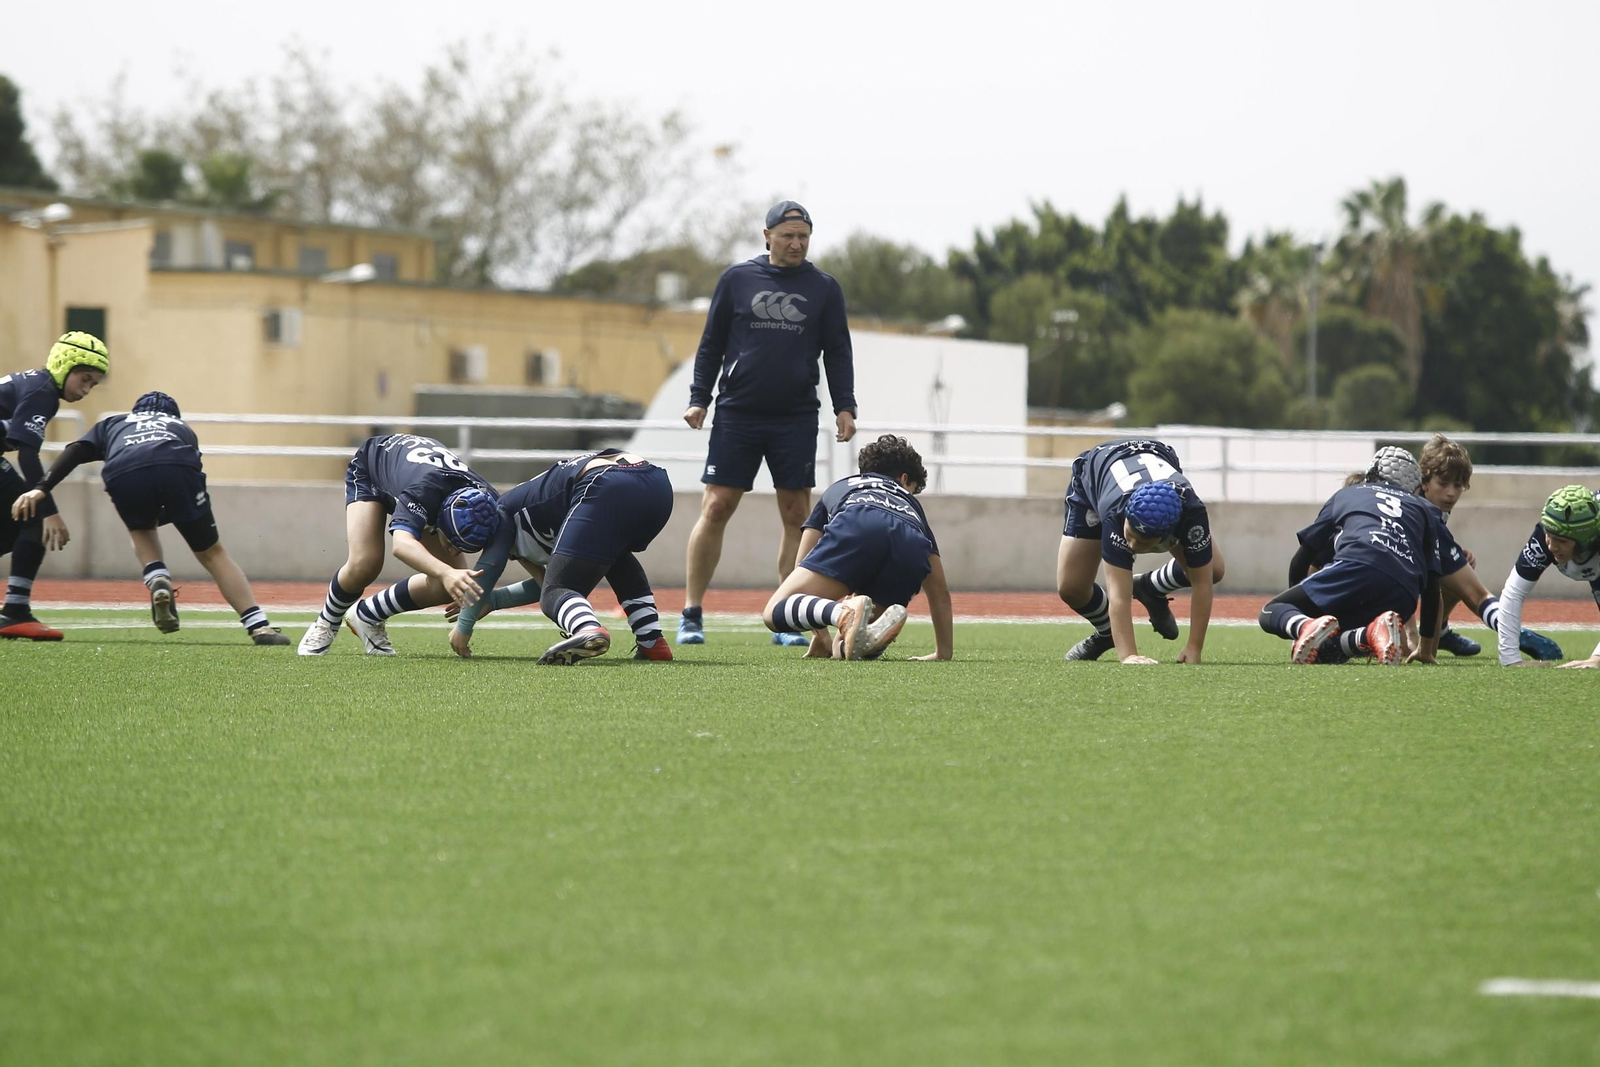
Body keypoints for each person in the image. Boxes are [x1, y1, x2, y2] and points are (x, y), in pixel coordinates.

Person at [677, 200, 857, 648]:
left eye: (803, 237)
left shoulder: (824, 288)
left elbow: (838, 351)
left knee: (797, 515)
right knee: (716, 507)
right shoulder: (737, 280)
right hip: (738, 412)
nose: (796, 244)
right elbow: (711, 344)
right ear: (768, 236)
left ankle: (786, 615)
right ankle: (691, 613)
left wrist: (845, 406)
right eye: (788, 236)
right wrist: (699, 399)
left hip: (795, 417)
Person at [10, 391, 290, 644]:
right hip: (176, 465)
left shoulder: (115, 423)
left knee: (140, 528)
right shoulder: (180, 427)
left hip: (123, 469)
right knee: (212, 553)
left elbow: (76, 450)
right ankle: (259, 626)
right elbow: (189, 470)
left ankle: (157, 576)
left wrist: (42, 488)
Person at [448, 448, 675, 665]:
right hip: (657, 485)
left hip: (606, 483)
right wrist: (493, 601)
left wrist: (463, 627)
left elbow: (490, 566)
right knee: (615, 558)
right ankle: (651, 641)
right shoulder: (527, 517)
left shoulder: (502, 513)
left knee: (556, 591)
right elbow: (545, 583)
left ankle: (587, 629)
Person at [297, 433, 500, 656]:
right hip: (373, 466)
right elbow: (402, 545)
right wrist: (446, 572)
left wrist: (476, 592)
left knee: (451, 586)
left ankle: (368, 614)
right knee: (365, 563)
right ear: (439, 518)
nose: (454, 551)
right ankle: (326, 622)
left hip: (415, 476)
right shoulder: (424, 491)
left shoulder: (490, 504)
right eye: (453, 542)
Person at [1261, 446, 1466, 665]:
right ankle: (1367, 634)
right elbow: (1432, 588)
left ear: (1372, 474)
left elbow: (1301, 559)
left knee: (1270, 611)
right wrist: (1426, 649)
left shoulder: (1348, 494)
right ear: (1416, 486)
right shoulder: (1425, 510)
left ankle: (1304, 626)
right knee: (1323, 650)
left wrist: (1303, 615)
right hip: (1403, 594)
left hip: (1357, 565)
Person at [761, 434, 952, 661]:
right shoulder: (912, 506)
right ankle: (857, 630)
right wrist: (943, 653)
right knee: (846, 647)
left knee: (774, 611)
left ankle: (842, 613)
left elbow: (803, 562)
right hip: (910, 548)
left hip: (859, 522)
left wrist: (819, 633)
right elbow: (939, 591)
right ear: (904, 478)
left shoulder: (841, 487)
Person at [1056, 438, 1224, 665]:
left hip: (1156, 455)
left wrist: (1194, 647)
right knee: (1072, 588)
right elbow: (1119, 594)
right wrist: (1129, 655)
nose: (1132, 545)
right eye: (1130, 533)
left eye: (1143, 542)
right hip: (1095, 470)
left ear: (1170, 535)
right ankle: (1108, 631)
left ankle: (1150, 587)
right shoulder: (1116, 513)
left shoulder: (1192, 515)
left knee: (1213, 570)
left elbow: (1202, 583)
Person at [1408, 433, 1561, 660]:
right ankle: (1513, 632)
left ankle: (1441, 632)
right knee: (1476, 593)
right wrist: (1410, 634)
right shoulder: (1419, 510)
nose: (1451, 492)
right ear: (1424, 481)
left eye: (1458, 485)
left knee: (1459, 568)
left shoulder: (1427, 504)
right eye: (1443, 483)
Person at [0, 331, 109, 640]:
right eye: (84, 379)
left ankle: (15, 610)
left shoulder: (35, 384)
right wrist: (49, 510)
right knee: (31, 516)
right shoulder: (43, 391)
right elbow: (27, 453)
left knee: (13, 525)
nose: (86, 389)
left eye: (93, 384)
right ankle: (15, 611)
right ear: (64, 365)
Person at [1492, 484, 1600, 668]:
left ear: (1586, 540)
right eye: (1549, 535)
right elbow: (1513, 592)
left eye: (1562, 541)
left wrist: (1597, 659)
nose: (1551, 546)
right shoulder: (1546, 534)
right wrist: (1511, 660)